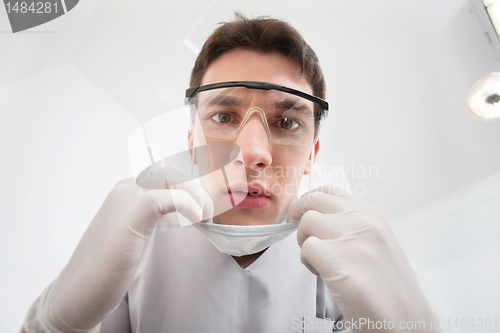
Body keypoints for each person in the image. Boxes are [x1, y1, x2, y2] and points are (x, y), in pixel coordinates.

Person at [22, 14, 441, 333]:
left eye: (287, 122)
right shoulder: (133, 250)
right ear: (191, 142)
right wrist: (48, 321)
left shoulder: (345, 269)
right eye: (224, 115)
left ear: (312, 155)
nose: (254, 152)